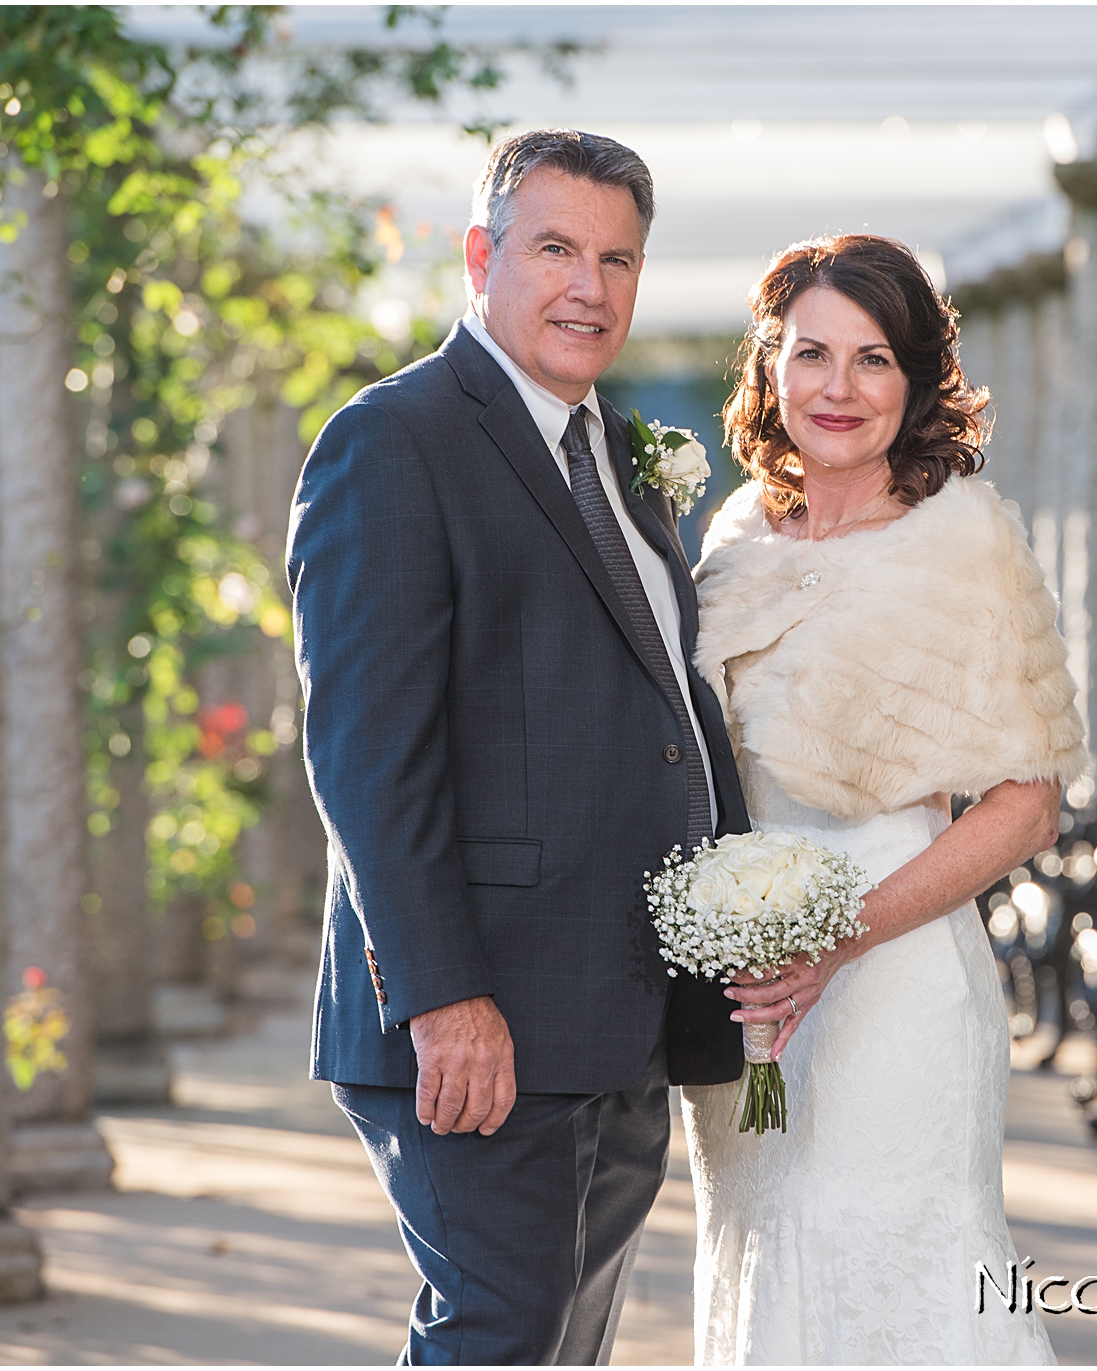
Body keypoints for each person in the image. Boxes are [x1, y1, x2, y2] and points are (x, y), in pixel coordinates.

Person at [285, 128, 749, 1365]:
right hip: (478, 1018)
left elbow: (660, 723)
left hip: (617, 1014)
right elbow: (365, 753)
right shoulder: (396, 442)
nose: (588, 288)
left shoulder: (612, 459)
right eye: (554, 249)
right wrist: (441, 998)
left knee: (565, 1345)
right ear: (482, 256)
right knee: (498, 1335)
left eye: (617, 259)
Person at [681, 234, 1087, 1364]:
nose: (838, 388)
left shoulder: (964, 540)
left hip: (893, 977)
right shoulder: (732, 537)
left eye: (872, 360)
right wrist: (739, 938)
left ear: (915, 382)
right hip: (749, 986)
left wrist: (831, 943)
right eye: (812, 354)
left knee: (890, 1257)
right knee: (764, 1250)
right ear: (770, 369)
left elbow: (1025, 806)